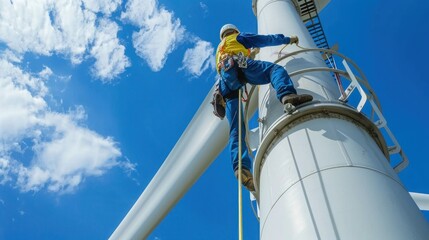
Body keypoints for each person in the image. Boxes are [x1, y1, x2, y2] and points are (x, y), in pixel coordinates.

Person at [212, 24, 313, 192]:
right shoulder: (238, 37)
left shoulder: (220, 49)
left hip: (226, 84)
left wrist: (251, 53)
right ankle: (286, 94)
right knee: (275, 70)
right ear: (234, 31)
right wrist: (288, 39)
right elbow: (265, 40)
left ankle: (241, 168)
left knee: (236, 130)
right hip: (240, 65)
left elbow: (233, 56)